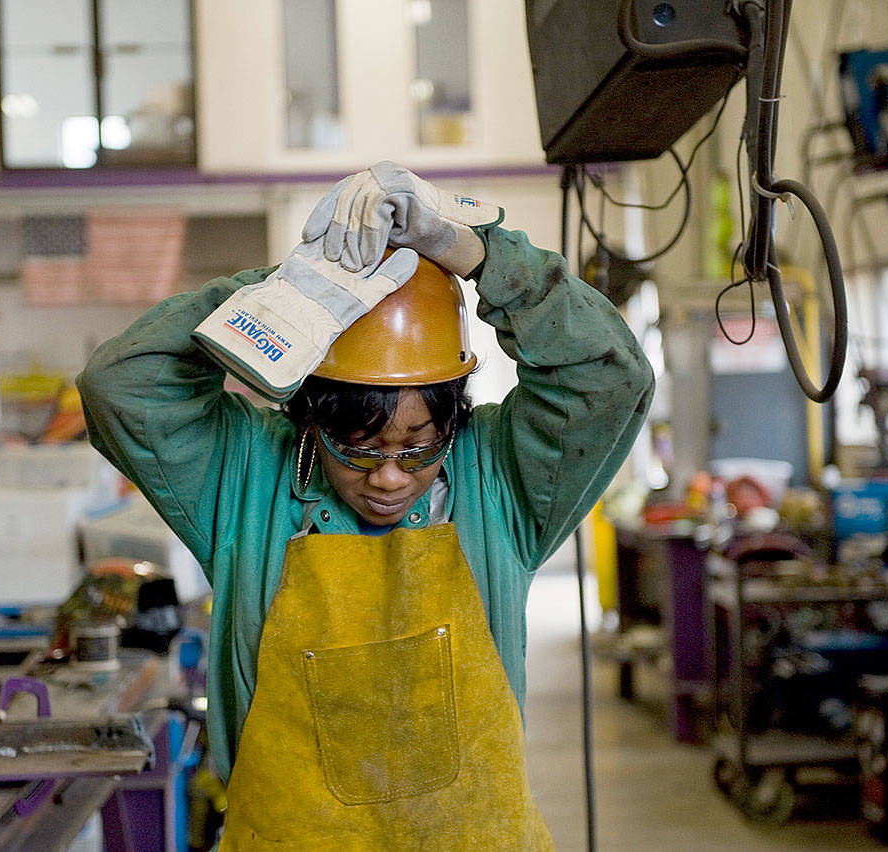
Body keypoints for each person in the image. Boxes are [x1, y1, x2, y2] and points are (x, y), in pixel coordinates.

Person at [78, 162, 654, 849]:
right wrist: (283, 294)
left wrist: (482, 254)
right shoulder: (244, 479)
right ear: (310, 421)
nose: (388, 478)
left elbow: (608, 377)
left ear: (455, 418)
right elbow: (121, 385)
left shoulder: (500, 481)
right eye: (356, 449)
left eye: (418, 447)